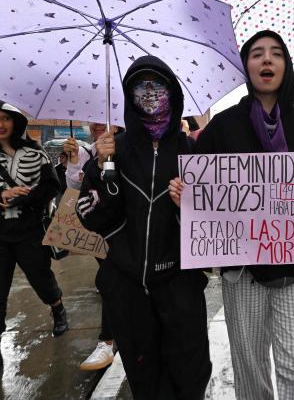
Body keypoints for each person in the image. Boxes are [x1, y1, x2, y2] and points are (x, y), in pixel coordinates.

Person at [170, 30, 294, 400]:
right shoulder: (223, 125)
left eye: (276, 54)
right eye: (257, 54)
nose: (266, 60)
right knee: (249, 361)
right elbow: (200, 184)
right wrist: (186, 197)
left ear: (286, 66)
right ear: (245, 66)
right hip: (243, 270)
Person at [76, 55, 211, 399]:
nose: (150, 93)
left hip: (181, 288)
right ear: (128, 95)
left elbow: (212, 220)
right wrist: (104, 169)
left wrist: (189, 205)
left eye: (158, 85)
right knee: (145, 380)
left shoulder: (192, 152)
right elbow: (92, 217)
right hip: (128, 289)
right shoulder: (112, 152)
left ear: (173, 93)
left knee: (190, 373)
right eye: (140, 86)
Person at [0, 98, 67, 395]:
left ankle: (57, 307)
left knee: (40, 277)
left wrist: (25, 197)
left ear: (15, 122)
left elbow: (52, 186)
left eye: (5, 118)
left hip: (28, 230)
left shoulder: (35, 151)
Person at [62, 123, 118, 371]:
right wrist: (79, 162)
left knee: (112, 279)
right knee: (109, 279)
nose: (98, 125)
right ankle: (107, 341)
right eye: (92, 122)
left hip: (132, 231)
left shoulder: (132, 145)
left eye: (102, 121)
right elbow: (77, 188)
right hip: (105, 230)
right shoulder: (90, 151)